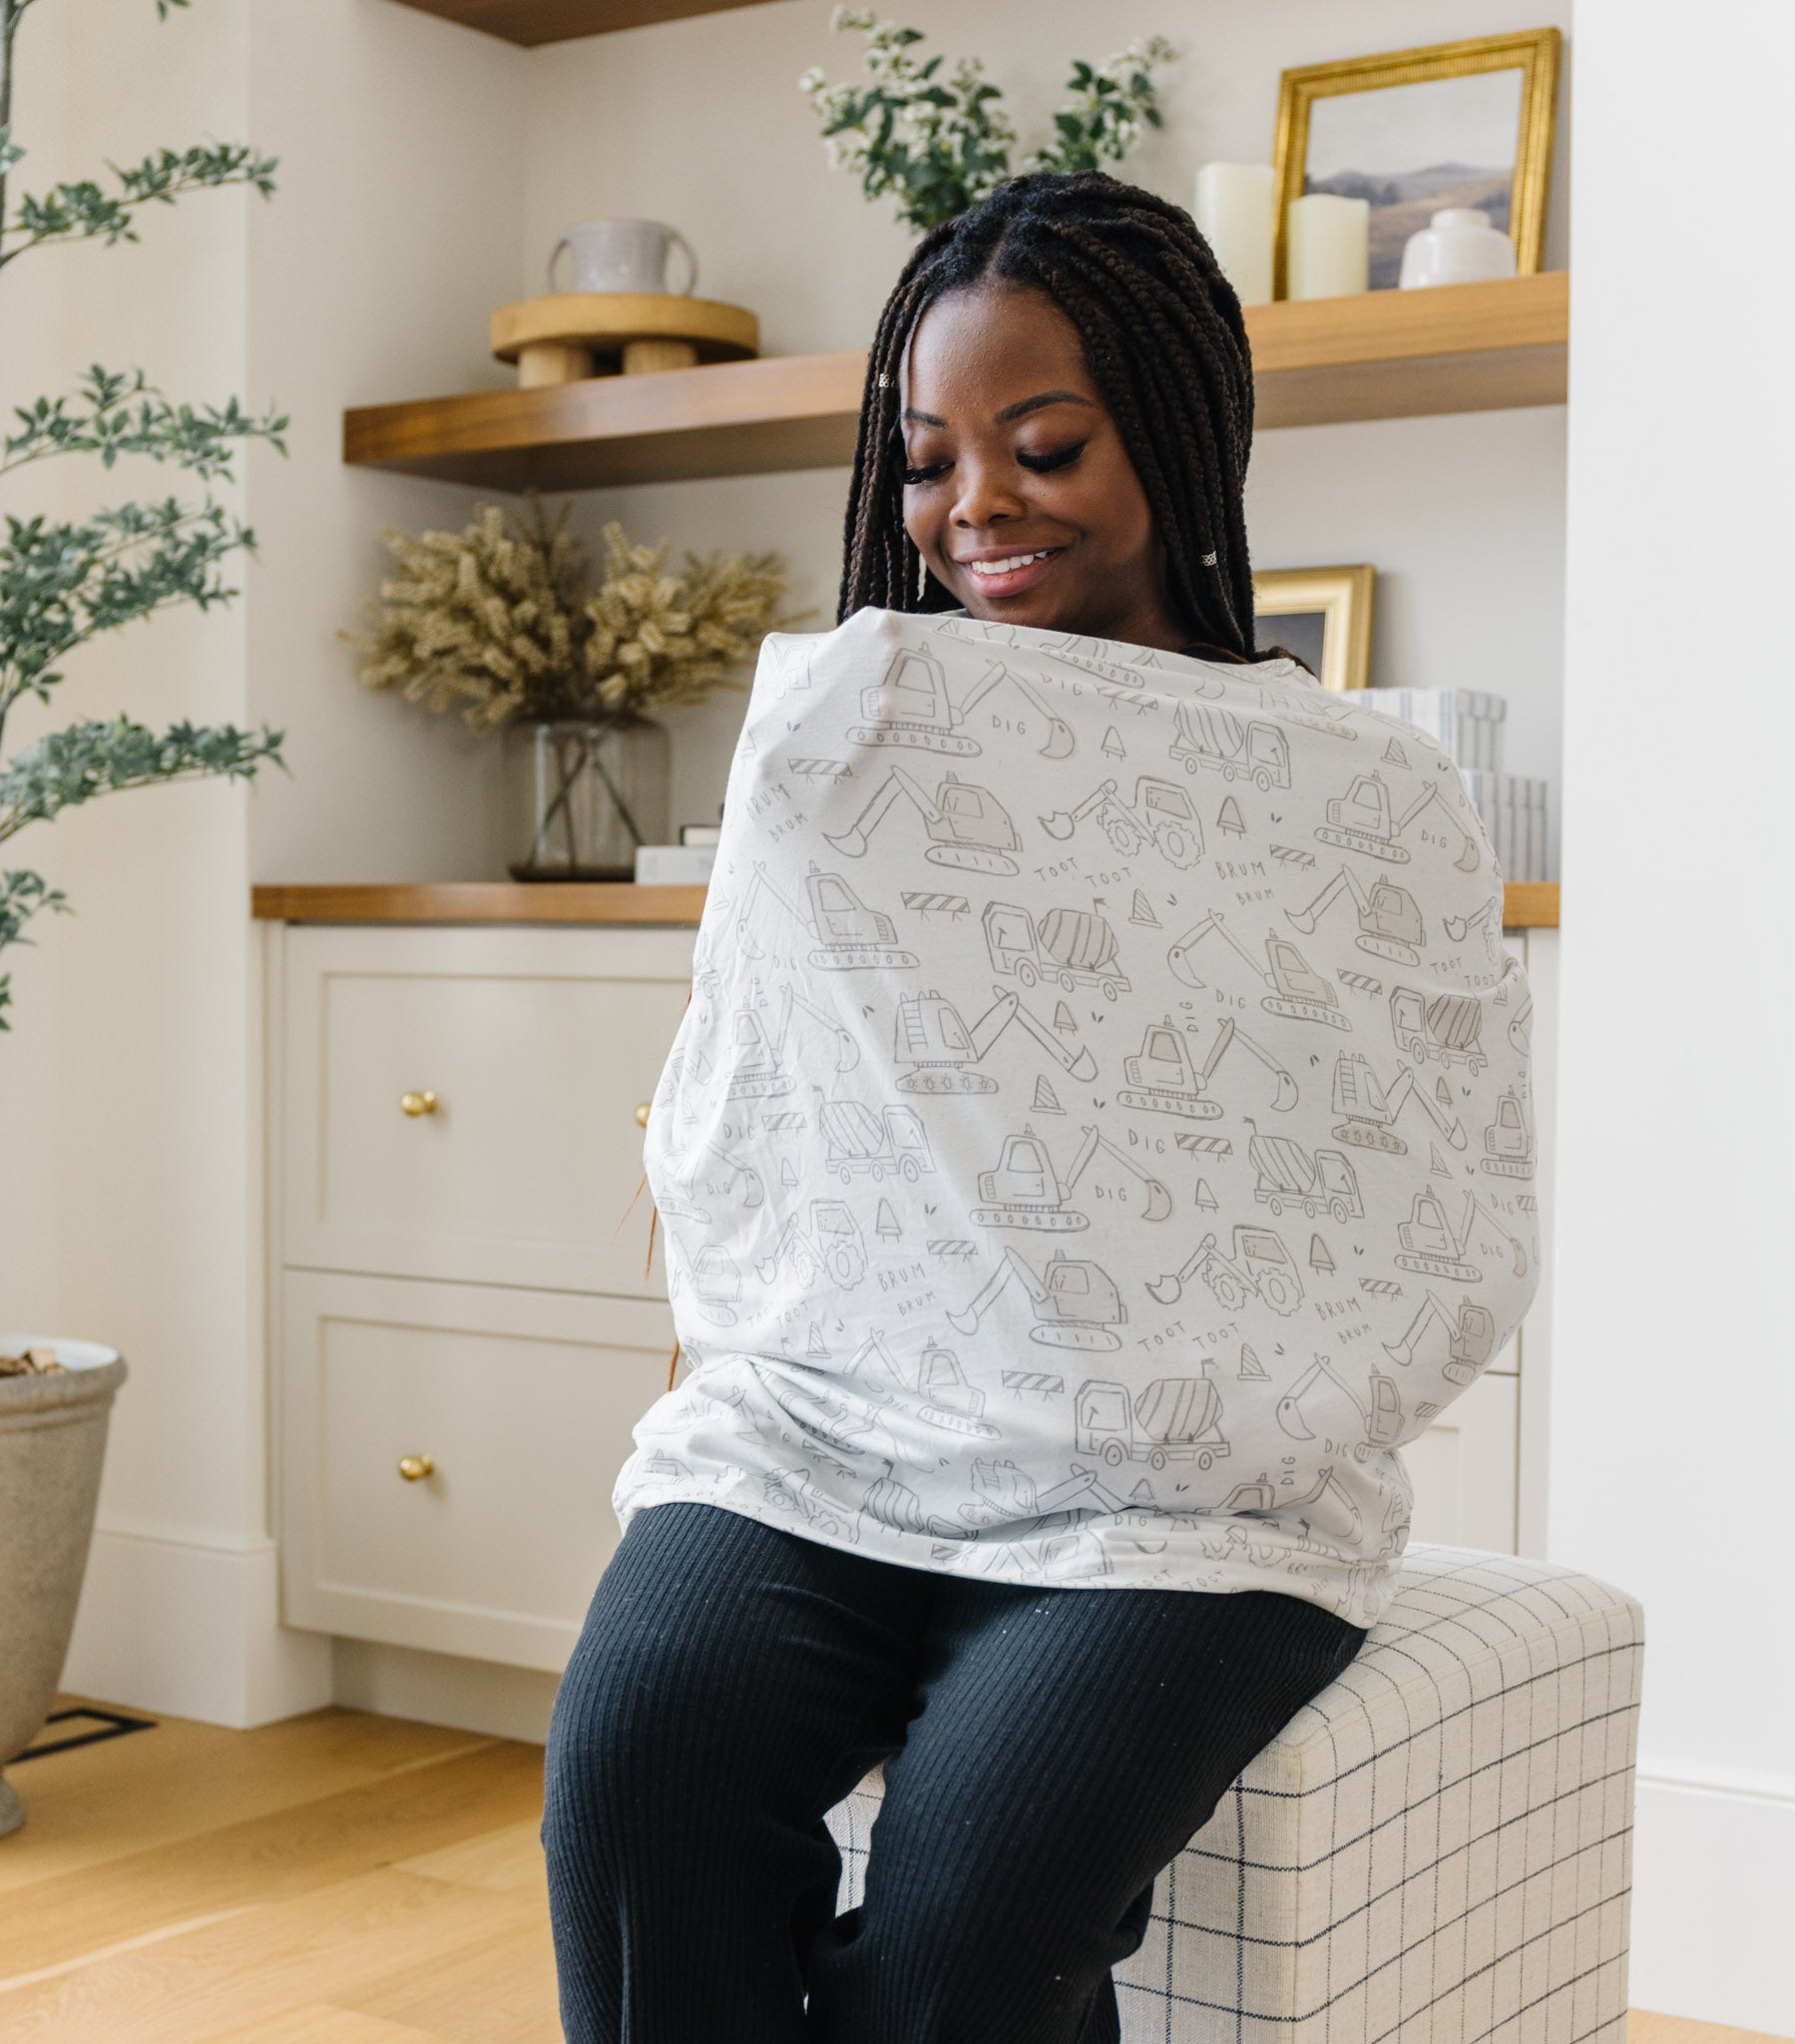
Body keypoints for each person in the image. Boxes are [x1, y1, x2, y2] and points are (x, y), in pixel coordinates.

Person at [542, 170, 1539, 2044]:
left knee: (963, 1940)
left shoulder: (1363, 792)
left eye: (1046, 444)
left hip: (1186, 1496)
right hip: (830, 1437)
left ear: (1179, 429)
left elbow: (1440, 1194)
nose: (974, 504)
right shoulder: (840, 733)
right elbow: (749, 1118)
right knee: (637, 1779)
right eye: (926, 460)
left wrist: (1200, 1397)